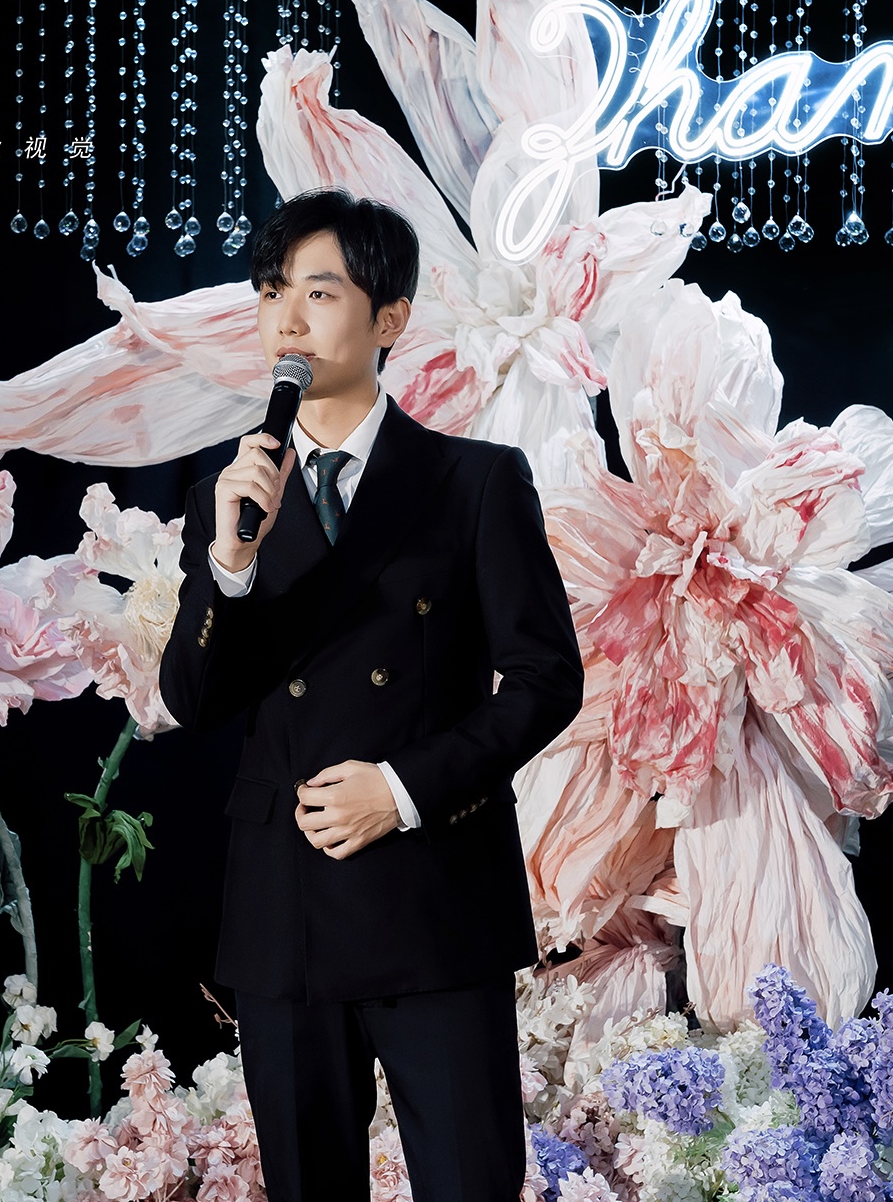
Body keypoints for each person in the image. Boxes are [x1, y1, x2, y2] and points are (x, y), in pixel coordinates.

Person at [159, 187, 584, 1202]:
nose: (287, 319)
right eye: (272, 292)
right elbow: (193, 699)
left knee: (469, 1182)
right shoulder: (230, 496)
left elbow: (546, 679)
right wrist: (229, 563)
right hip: (285, 907)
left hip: (433, 896)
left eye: (319, 293)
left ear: (389, 318)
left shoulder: (474, 482)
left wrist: (400, 789)